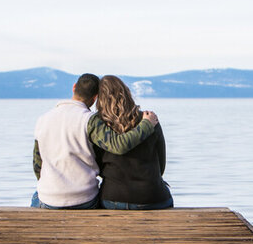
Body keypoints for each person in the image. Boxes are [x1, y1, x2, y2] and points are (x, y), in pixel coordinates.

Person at [32, 73, 159, 209]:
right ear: (95, 98)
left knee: (37, 196)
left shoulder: (43, 119)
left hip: (49, 198)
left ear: (74, 87)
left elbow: (37, 162)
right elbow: (118, 146)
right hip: (83, 199)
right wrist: (146, 125)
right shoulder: (89, 120)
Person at [94, 75, 173, 210]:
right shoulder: (150, 119)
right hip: (154, 198)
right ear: (126, 93)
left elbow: (97, 165)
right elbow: (161, 165)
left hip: (113, 198)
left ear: (99, 99)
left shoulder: (99, 125)